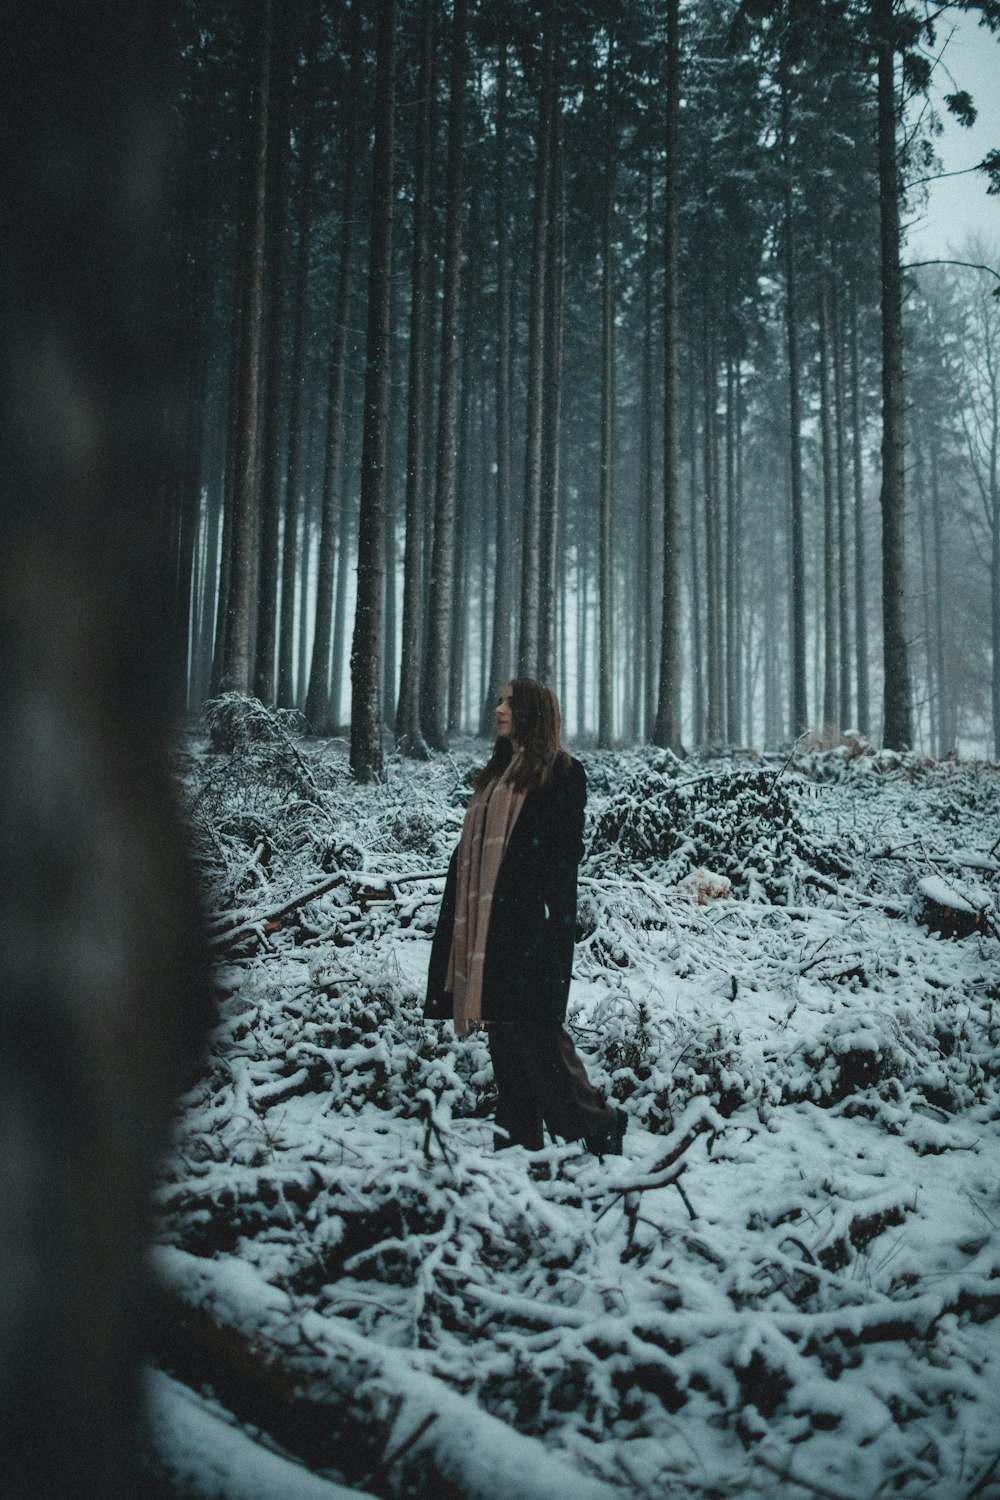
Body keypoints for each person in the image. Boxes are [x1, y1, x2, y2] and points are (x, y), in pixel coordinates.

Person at [425, 679, 627, 1156]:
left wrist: (540, 910)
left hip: (534, 926)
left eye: (509, 703)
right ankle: (516, 1135)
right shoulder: (495, 777)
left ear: (533, 713)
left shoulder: (562, 773)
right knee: (505, 1028)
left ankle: (598, 1122)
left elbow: (565, 853)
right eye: (498, 700)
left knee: (536, 1031)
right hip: (491, 923)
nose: (498, 709)